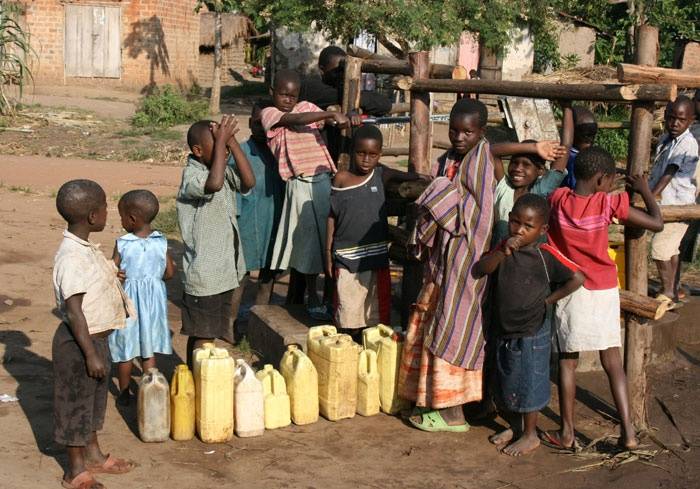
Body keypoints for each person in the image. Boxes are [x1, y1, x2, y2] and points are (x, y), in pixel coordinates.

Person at [543, 147, 664, 451]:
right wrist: (645, 190)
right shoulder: (607, 203)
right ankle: (629, 432)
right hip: (605, 289)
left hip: (573, 290)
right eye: (610, 180)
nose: (612, 185)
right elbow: (656, 222)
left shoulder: (558, 200)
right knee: (612, 361)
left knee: (567, 363)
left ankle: (568, 432)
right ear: (600, 180)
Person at [398, 98, 495, 432]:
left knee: (456, 327)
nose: (459, 137)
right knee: (438, 323)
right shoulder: (453, 160)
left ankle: (454, 413)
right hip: (444, 262)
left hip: (466, 263)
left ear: (481, 132)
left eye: (467, 132)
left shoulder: (480, 162)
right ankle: (435, 401)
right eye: (454, 130)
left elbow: (475, 214)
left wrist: (438, 190)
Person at [474, 194, 584, 456]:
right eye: (514, 222)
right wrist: (503, 250)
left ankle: (530, 434)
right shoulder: (503, 247)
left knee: (529, 384)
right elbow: (482, 268)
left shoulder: (545, 255)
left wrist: (548, 300)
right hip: (504, 327)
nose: (519, 230)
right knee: (508, 380)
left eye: (527, 226)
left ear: (542, 230)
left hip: (532, 331)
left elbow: (577, 277)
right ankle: (515, 426)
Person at [52, 179, 134, 489]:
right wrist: (89, 353)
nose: (107, 213)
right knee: (75, 405)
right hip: (78, 344)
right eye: (104, 208)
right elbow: (74, 311)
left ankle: (94, 455)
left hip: (96, 340)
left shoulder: (86, 250)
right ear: (91, 217)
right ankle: (74, 469)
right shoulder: (71, 257)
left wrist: (112, 274)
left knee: (93, 403)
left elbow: (93, 282)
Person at [261, 69, 356, 320]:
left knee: (330, 240)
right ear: (272, 93)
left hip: (324, 180)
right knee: (307, 244)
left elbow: (328, 121)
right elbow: (296, 120)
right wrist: (328, 113)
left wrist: (345, 118)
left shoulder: (306, 106)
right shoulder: (270, 114)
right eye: (283, 94)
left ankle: (330, 297)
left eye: (292, 96)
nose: (288, 100)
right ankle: (312, 296)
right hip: (299, 184)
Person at [326, 124, 422, 339]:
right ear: (353, 152)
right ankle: (347, 347)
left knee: (373, 311)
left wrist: (425, 178)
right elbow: (332, 217)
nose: (366, 159)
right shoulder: (341, 178)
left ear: (379, 154)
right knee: (348, 309)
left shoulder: (381, 175)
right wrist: (327, 252)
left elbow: (408, 176)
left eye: (372, 154)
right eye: (361, 153)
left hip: (376, 257)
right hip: (347, 257)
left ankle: (367, 350)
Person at [177, 115, 256, 367]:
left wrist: (231, 142)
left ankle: (200, 377)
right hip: (204, 275)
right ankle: (197, 378)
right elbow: (214, 183)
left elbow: (248, 181)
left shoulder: (219, 167)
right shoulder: (193, 175)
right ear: (198, 151)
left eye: (224, 145)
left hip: (222, 270)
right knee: (203, 334)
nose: (223, 149)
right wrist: (222, 141)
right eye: (217, 145)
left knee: (209, 332)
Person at [109, 190, 176, 406]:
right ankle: (150, 390)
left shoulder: (123, 243)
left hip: (129, 303)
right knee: (148, 350)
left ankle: (125, 393)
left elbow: (112, 270)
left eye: (121, 216)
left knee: (126, 350)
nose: (120, 221)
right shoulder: (160, 241)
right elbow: (170, 273)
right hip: (153, 303)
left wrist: (119, 277)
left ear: (132, 218)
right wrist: (154, 280)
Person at [228, 101, 285, 319]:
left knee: (268, 276)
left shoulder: (280, 151)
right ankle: (230, 324)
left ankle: (258, 322)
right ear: (250, 124)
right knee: (240, 275)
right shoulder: (240, 153)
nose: (263, 128)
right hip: (247, 225)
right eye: (258, 123)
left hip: (274, 223)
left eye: (268, 123)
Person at [490, 103, 572, 246]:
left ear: (540, 171)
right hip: (500, 254)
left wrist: (567, 107)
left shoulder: (540, 191)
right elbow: (491, 151)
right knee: (503, 226)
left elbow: (566, 147)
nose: (518, 168)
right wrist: (534, 147)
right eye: (514, 162)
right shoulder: (503, 186)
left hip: (528, 256)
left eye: (526, 165)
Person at [648, 96, 699, 305]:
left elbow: (670, 171)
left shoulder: (688, 143)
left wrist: (651, 194)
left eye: (680, 120)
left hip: (679, 205)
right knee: (672, 249)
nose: (674, 123)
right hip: (666, 203)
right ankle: (673, 288)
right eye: (670, 118)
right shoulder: (664, 140)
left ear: (691, 121)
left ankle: (668, 291)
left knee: (659, 249)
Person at [299, 45, 392, 116]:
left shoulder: (340, 88)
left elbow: (385, 105)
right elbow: (341, 97)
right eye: (337, 70)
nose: (341, 75)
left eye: (344, 70)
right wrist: (358, 99)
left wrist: (356, 99)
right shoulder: (310, 87)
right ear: (322, 69)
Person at [561, 105, 598, 189]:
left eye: (593, 135)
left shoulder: (581, 154)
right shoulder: (572, 159)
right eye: (586, 135)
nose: (591, 140)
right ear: (571, 132)